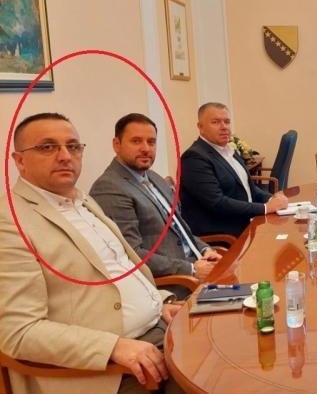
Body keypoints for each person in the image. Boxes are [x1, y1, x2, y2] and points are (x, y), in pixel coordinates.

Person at [0, 113, 181, 394]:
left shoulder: (82, 201)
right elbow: (18, 331)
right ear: (19, 160)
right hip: (107, 370)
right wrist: (115, 347)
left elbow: (117, 269)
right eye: (47, 147)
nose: (65, 156)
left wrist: (160, 301)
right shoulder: (9, 221)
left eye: (73, 146)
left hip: (158, 328)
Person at [90, 114, 222, 296]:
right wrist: (191, 269)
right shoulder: (109, 187)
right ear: (116, 144)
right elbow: (132, 254)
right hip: (174, 286)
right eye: (136, 141)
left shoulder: (153, 177)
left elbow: (180, 230)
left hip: (199, 269)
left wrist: (205, 250)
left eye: (151, 142)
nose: (146, 149)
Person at [180, 102, 289, 237]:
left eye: (227, 122)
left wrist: (272, 198)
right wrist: (266, 208)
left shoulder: (229, 150)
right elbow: (218, 203)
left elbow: (249, 188)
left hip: (248, 222)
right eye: (216, 122)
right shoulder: (194, 158)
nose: (224, 127)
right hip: (226, 234)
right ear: (200, 127)